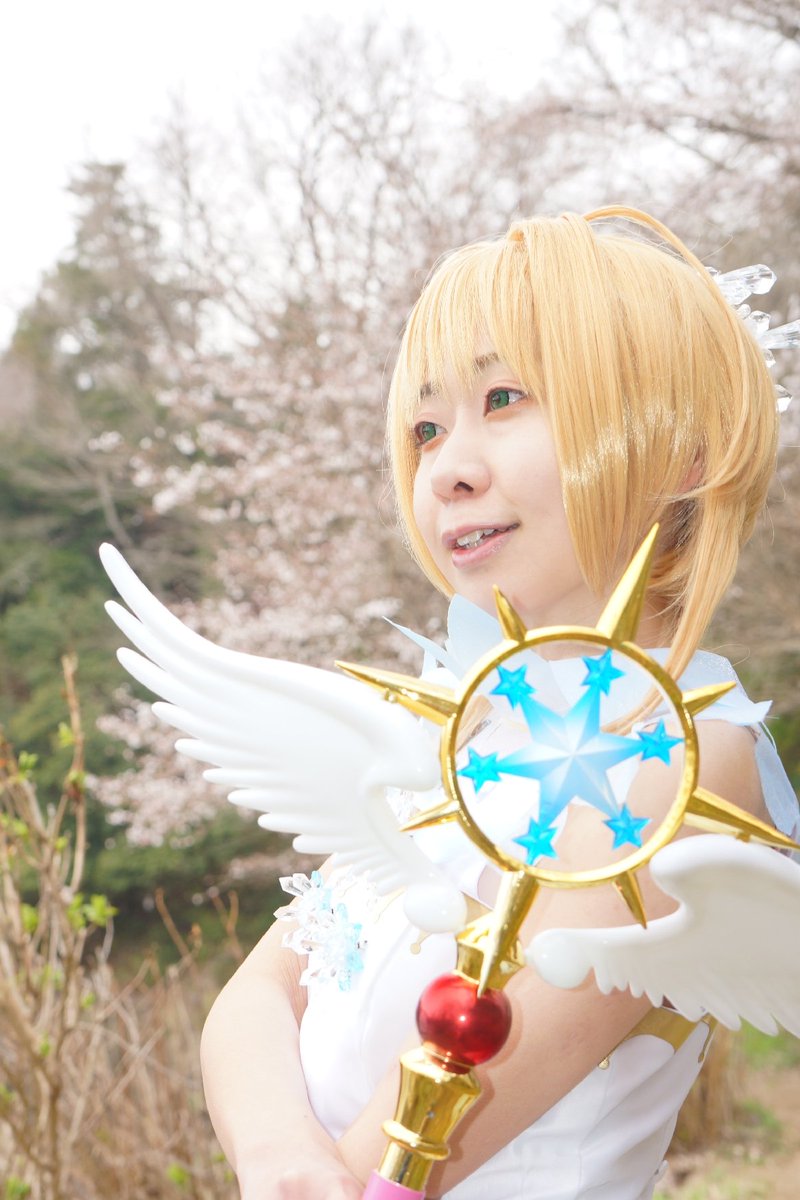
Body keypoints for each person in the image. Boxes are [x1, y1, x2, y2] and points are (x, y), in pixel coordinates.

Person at [199, 206, 798, 1200]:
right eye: (426, 427)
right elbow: (259, 990)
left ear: (682, 447)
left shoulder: (680, 762)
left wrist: (313, 1177)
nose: (446, 468)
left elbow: (426, 1131)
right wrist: (279, 1160)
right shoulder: (455, 725)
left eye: (503, 397)